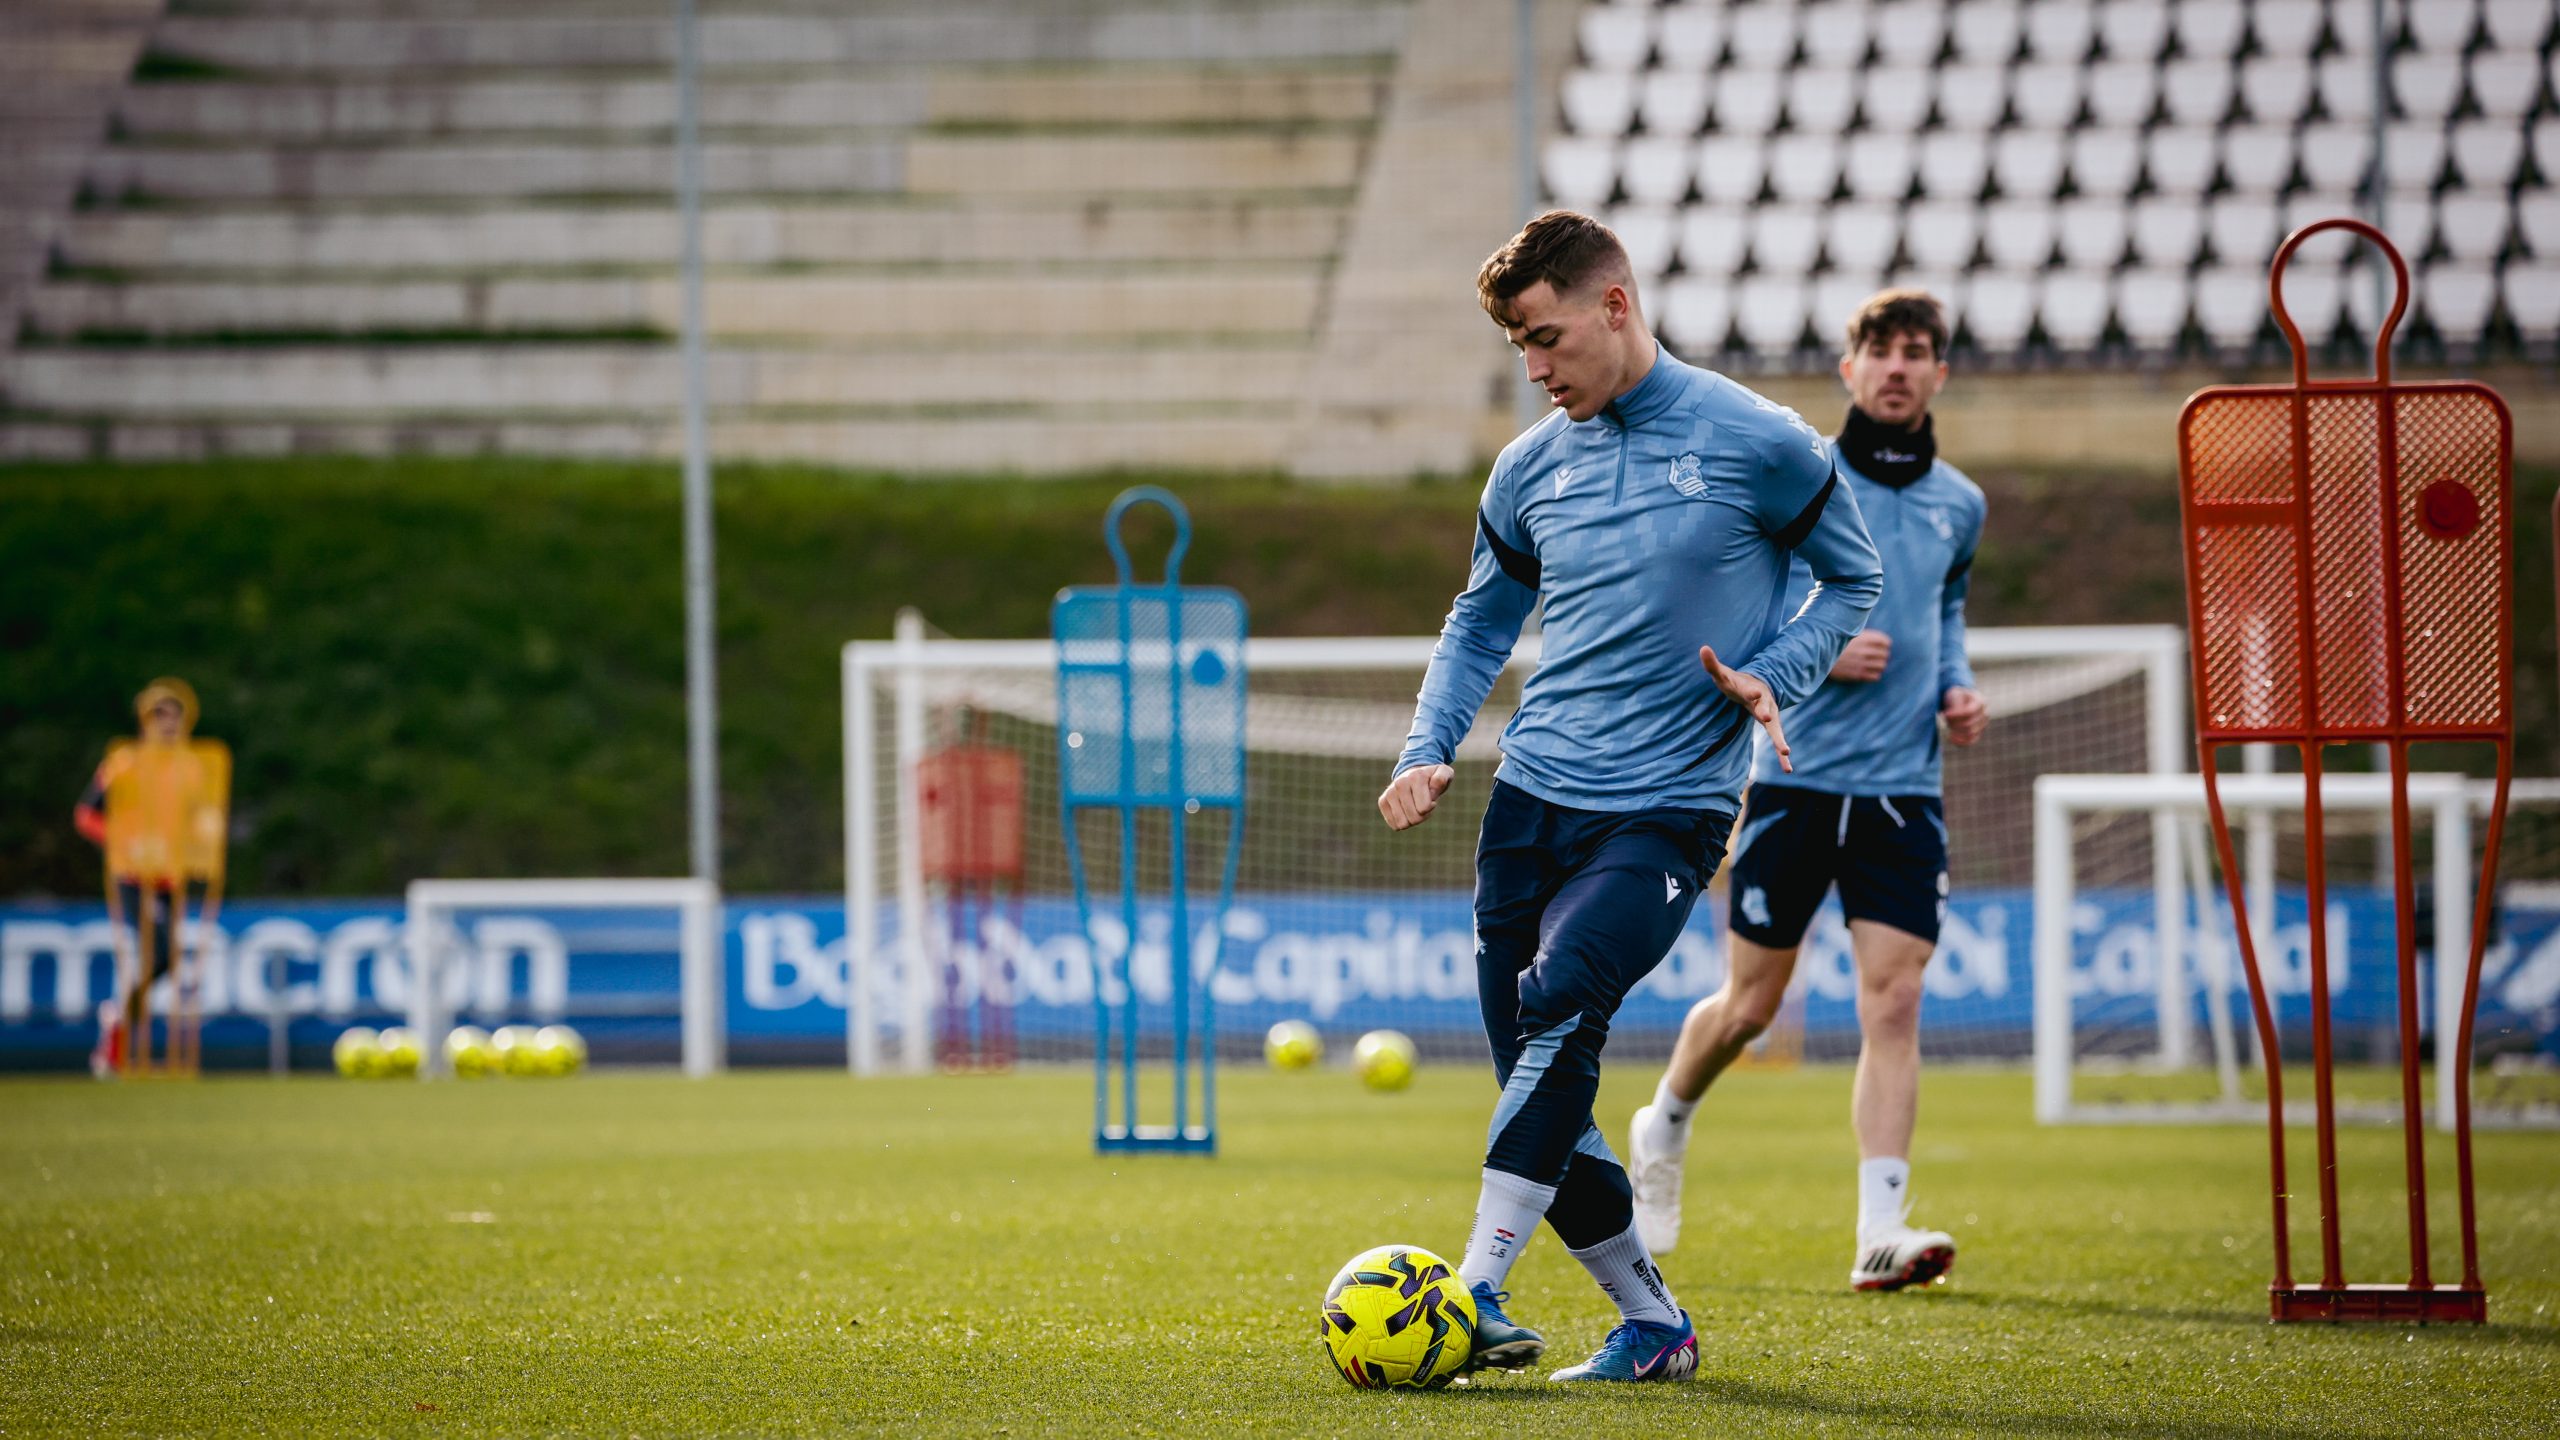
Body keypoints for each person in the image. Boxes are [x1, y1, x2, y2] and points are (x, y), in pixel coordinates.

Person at [1380, 211, 1882, 1383]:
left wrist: (1778, 673)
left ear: (1615, 303)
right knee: (1538, 1076)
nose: (1536, 370)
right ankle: (1652, 1325)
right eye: (1519, 351)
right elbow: (1478, 624)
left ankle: (1472, 1293)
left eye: (1547, 339)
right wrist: (1428, 743)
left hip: (1667, 809)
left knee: (1562, 1004)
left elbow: (1851, 577)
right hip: (1529, 800)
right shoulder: (1529, 466)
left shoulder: (1756, 441)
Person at [1625, 289, 1989, 1293]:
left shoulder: (1961, 503)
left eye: (1917, 353)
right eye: (1881, 351)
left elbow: (1944, 610)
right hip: (1792, 780)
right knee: (1750, 1005)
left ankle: (1881, 1229)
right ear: (1849, 369)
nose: (1898, 368)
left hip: (1903, 791)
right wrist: (1816, 658)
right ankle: (1664, 1121)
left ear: (1938, 373)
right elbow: (1738, 608)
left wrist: (1953, 684)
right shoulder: (1802, 479)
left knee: (1897, 998)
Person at [76, 678, 201, 1077]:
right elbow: (87, 815)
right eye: (158, 717)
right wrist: (122, 846)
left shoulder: (190, 769)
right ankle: (118, 1024)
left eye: (173, 718)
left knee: (165, 957)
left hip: (168, 877)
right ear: (145, 723)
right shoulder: (124, 763)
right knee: (163, 952)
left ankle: (119, 1024)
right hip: (133, 875)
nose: (167, 725)